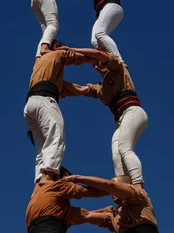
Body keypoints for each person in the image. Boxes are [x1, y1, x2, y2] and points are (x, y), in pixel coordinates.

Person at [59, 49, 147, 185]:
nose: (96, 66)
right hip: (121, 120)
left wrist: (71, 51)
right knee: (116, 155)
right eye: (93, 66)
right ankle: (124, 188)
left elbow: (101, 55)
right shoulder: (102, 88)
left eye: (97, 63)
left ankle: (138, 184)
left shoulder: (118, 69)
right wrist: (57, 85)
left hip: (133, 111)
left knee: (124, 148)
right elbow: (81, 90)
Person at [24, 44, 110, 184]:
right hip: (44, 101)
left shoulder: (43, 69)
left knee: (43, 146)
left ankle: (39, 181)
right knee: (56, 135)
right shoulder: (55, 54)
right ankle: (48, 175)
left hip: (31, 105)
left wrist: (89, 90)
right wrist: (98, 58)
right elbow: (74, 56)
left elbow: (71, 89)